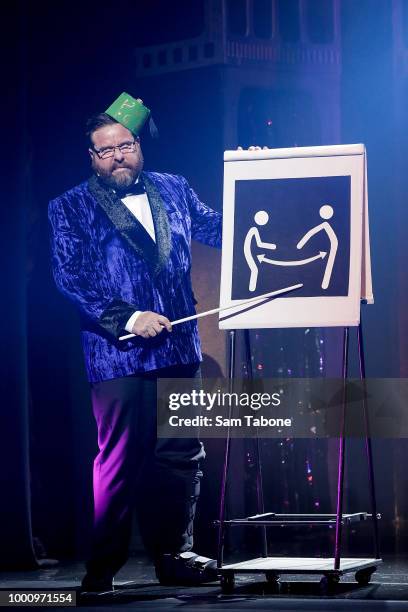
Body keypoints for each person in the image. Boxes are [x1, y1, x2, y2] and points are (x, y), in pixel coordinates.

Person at [48, 93, 222, 592]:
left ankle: (176, 554)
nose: (118, 155)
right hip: (116, 352)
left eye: (125, 145)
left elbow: (220, 227)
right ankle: (103, 568)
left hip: (179, 347)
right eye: (106, 150)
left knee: (180, 455)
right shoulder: (70, 206)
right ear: (92, 157)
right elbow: (71, 276)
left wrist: (250, 183)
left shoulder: (175, 188)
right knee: (118, 461)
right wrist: (129, 317)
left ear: (139, 146)